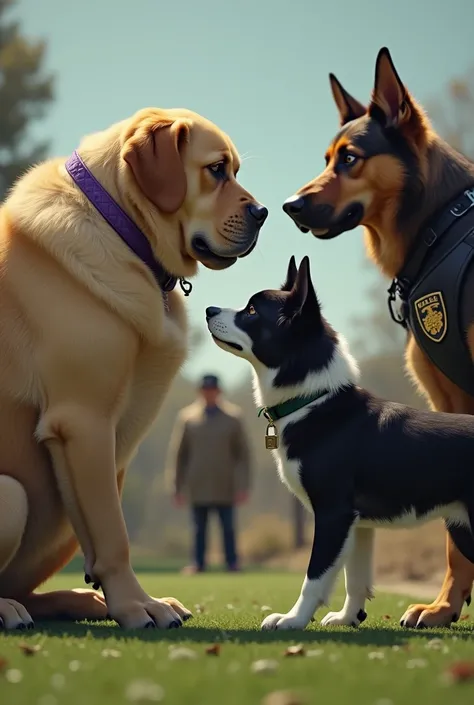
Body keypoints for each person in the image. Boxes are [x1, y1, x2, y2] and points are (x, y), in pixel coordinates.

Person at [166, 374, 252, 573]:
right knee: (198, 529)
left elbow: (244, 455)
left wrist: (243, 486)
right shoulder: (187, 418)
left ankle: (232, 563)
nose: (209, 394)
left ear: (219, 392)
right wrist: (176, 486)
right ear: (200, 392)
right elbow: (179, 455)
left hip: (225, 484)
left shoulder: (233, 418)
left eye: (213, 390)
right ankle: (198, 563)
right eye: (206, 390)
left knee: (228, 527)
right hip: (198, 484)